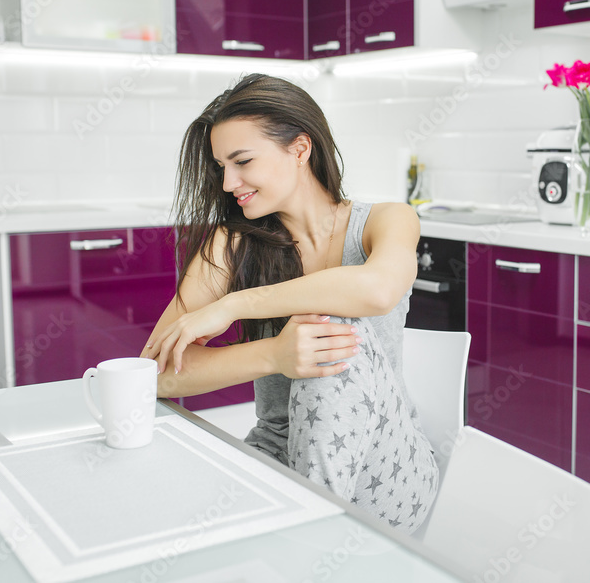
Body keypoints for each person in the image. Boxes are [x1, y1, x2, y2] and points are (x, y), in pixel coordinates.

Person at [140, 73, 438, 534]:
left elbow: (378, 290)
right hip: (280, 454)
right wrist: (274, 354)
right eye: (221, 166)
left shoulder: (386, 219)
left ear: (300, 149)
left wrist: (235, 304)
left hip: (387, 462)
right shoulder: (231, 244)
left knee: (332, 321)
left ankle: (312, 532)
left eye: (241, 161)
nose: (227, 183)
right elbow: (154, 375)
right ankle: (310, 530)